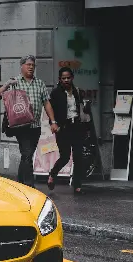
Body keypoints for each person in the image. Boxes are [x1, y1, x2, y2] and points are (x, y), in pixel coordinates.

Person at [0, 55, 49, 188]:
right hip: (21, 126)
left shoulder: (39, 83)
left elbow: (47, 103)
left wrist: (53, 121)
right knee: (27, 154)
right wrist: (7, 85)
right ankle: (29, 186)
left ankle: (19, 183)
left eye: (33, 65)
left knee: (26, 155)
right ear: (22, 66)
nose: (31, 67)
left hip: (36, 126)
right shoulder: (15, 81)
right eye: (28, 64)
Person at [45, 67, 86, 195]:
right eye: (64, 78)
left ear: (72, 78)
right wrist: (53, 123)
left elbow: (81, 109)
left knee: (79, 157)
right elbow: (50, 109)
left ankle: (77, 184)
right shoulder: (56, 93)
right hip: (63, 128)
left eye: (68, 77)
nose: (66, 80)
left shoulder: (77, 91)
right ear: (60, 79)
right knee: (65, 157)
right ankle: (53, 173)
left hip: (77, 127)